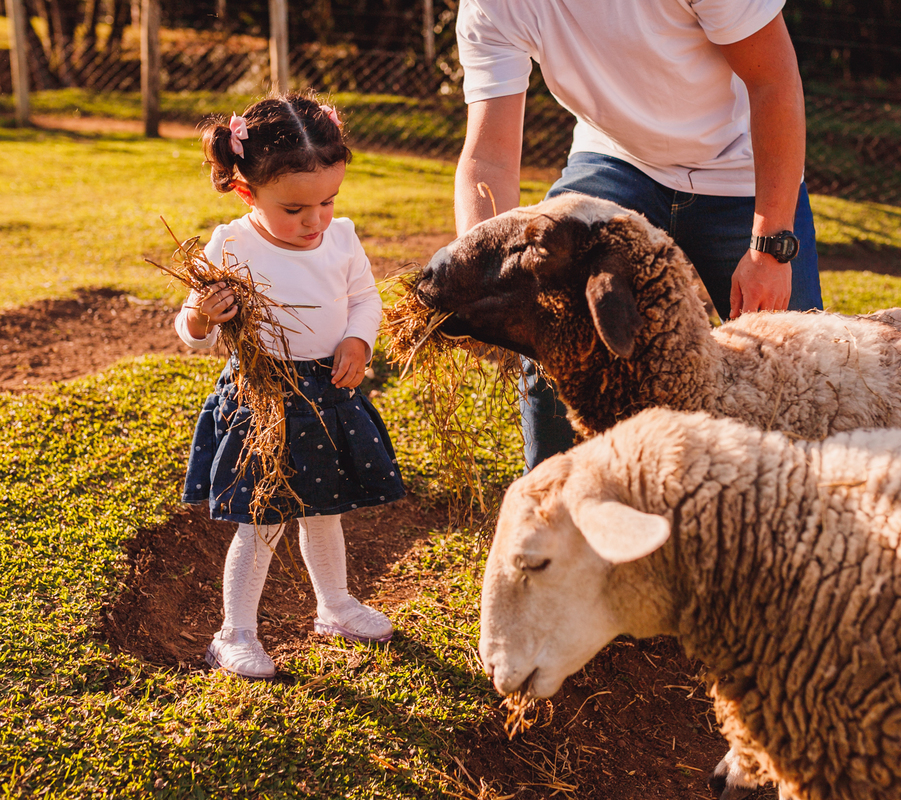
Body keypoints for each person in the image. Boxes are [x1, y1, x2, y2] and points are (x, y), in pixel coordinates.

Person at [453, 0, 823, 471]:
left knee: (797, 371)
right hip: (618, 159)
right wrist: (486, 280)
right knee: (549, 312)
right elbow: (489, 158)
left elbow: (774, 82)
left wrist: (770, 246)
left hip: (742, 170)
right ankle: (556, 508)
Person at [176, 93, 406, 680]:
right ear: (248, 193)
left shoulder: (342, 236)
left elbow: (363, 298)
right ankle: (234, 634)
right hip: (264, 400)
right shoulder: (231, 244)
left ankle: (335, 608)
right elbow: (189, 328)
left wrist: (358, 341)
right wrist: (205, 315)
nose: (316, 220)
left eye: (328, 201)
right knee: (263, 520)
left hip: (325, 395)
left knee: (324, 512)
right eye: (296, 208)